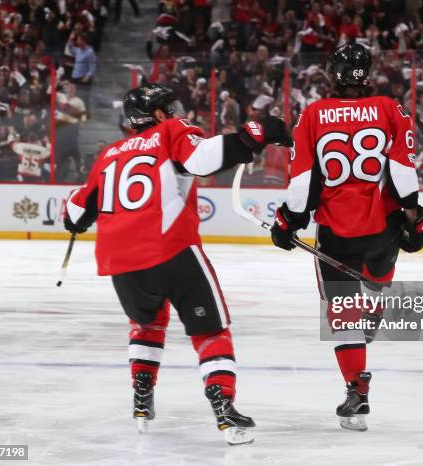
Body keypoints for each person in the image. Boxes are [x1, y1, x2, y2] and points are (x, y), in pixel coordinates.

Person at [62, 83, 291, 444]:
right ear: (157, 115)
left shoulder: (108, 154)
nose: (177, 111)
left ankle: (142, 396)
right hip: (170, 248)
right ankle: (224, 407)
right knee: (211, 330)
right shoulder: (172, 131)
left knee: (147, 322)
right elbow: (204, 159)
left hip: (120, 261)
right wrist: (257, 132)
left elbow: (75, 213)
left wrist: (74, 218)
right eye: (170, 106)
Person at [269, 44, 423, 431]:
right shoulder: (392, 108)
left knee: (343, 315)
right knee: (376, 278)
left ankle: (357, 390)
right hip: (384, 225)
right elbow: (403, 168)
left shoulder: (313, 114)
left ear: (331, 74)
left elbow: (303, 180)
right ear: (367, 73)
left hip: (336, 231)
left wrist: (288, 220)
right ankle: (375, 302)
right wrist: (414, 216)